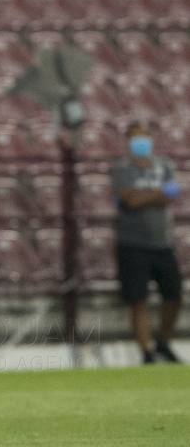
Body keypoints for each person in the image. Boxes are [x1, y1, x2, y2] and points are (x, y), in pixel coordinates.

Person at [111, 122, 183, 364]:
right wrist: (158, 194)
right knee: (138, 299)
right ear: (129, 142)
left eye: (144, 137)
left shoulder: (164, 166)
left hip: (162, 243)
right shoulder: (123, 169)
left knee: (174, 294)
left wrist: (144, 196)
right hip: (132, 244)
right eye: (135, 138)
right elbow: (129, 200)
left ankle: (163, 342)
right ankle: (146, 351)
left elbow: (171, 197)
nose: (141, 142)